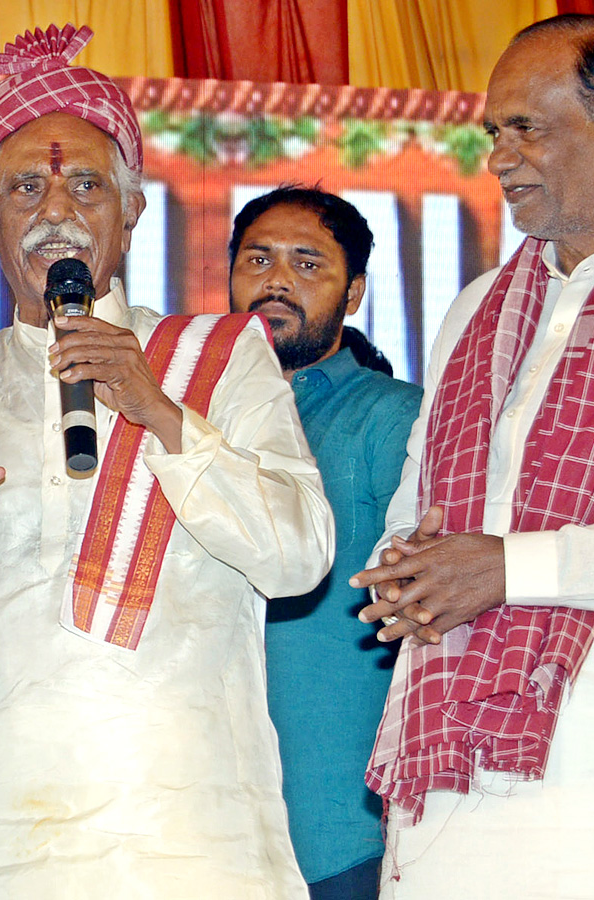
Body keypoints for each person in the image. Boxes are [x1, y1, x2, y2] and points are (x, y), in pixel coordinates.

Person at [0, 24, 333, 899]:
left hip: (192, 844)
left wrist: (162, 414)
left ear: (131, 212)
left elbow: (298, 557)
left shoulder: (221, 356)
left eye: (88, 183)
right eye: (25, 187)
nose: (57, 207)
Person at [352, 14, 594, 899]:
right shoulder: (478, 309)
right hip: (453, 770)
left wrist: (510, 568)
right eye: (491, 133)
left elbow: (502, 556)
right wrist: (407, 570)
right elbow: (414, 503)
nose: (500, 158)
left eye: (527, 129)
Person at [229, 187, 421, 900]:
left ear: (356, 291)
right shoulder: (188, 420)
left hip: (341, 830)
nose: (276, 281)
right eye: (258, 259)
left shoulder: (395, 419)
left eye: (308, 263)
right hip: (200, 818)